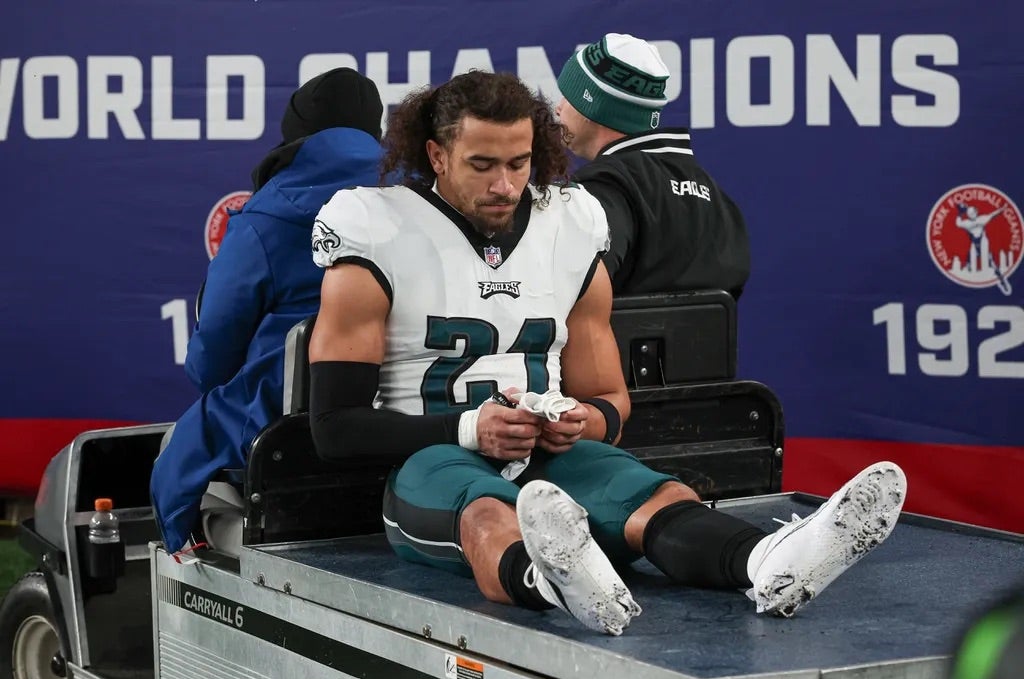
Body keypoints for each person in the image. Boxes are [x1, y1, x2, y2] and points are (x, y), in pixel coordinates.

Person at [307, 70, 907, 636]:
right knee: (491, 514)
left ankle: (768, 561)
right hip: (432, 463)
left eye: (518, 164)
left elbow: (610, 402)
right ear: (436, 156)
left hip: (546, 459)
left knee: (657, 494)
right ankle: (551, 580)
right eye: (482, 164)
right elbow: (334, 430)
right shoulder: (376, 231)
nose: (505, 185)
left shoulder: (567, 225)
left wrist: (581, 419)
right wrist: (469, 428)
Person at [151, 67, 385, 556]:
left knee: (178, 453)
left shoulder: (265, 219)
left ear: (296, 135)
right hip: (403, 424)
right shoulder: (426, 199)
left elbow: (211, 362)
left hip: (281, 436)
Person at [555, 33, 750, 299]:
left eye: (568, 96)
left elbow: (578, 292)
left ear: (593, 104)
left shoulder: (603, 187)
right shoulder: (712, 192)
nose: (558, 107)